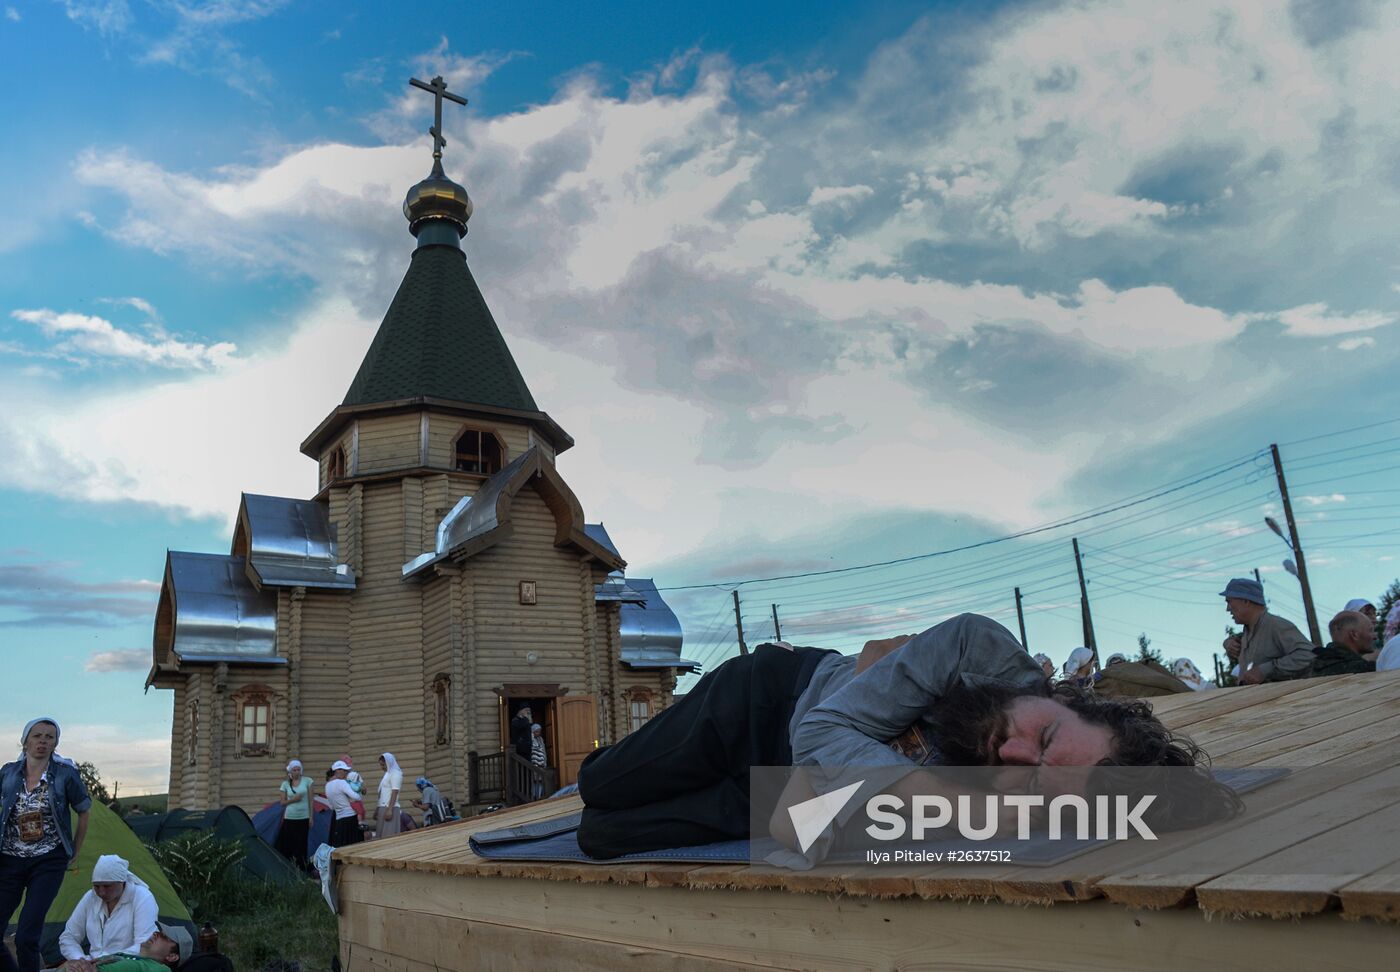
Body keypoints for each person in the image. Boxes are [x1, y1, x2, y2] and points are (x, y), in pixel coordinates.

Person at [577, 613, 1221, 859]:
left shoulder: (995, 813)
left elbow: (795, 827)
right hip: (764, 698)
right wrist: (920, 785)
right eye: (1047, 737)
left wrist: (869, 712)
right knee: (598, 782)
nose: (1015, 752)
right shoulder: (981, 649)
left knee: (601, 836)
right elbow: (825, 725)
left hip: (769, 794)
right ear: (1068, 699)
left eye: (1032, 777)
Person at [0, 717, 92, 972]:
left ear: (55, 743)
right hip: (10, 859)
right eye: (37, 735)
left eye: (49, 737)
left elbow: (84, 810)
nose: (42, 741)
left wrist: (75, 848)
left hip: (48, 860)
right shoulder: (8, 773)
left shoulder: (65, 774)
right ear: (25, 740)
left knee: (26, 936)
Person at [58, 855, 159, 963]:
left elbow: (145, 946)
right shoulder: (90, 897)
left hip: (125, 966)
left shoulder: (142, 897)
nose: (101, 892)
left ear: (122, 882)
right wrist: (81, 961)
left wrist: (106, 962)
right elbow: (68, 937)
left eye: (107, 886)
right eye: (96, 886)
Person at [1219, 577, 1314, 684]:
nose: (1228, 608)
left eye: (1229, 602)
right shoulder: (1249, 632)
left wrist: (1265, 670)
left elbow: (1308, 654)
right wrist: (1228, 643)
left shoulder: (1276, 626)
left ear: (1246, 601)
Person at [61, 923, 190, 972]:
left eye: (163, 936)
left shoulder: (159, 970)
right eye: (157, 931)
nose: (155, 934)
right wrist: (70, 965)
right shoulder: (130, 957)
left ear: (172, 956)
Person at [1313, 611, 1377, 677]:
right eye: (1370, 630)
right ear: (1354, 635)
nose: (1375, 637)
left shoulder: (1308, 670)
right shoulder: (1367, 670)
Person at [276, 760, 313, 869]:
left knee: (301, 845)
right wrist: (293, 800)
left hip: (304, 817)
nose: (297, 772)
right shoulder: (285, 784)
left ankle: (301, 868)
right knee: (289, 844)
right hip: (290, 818)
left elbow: (311, 800)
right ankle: (288, 866)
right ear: (290, 772)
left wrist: (311, 817)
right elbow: (282, 802)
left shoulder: (308, 781)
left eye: (298, 769)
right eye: (294, 770)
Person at [325, 761, 363, 848]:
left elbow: (331, 806)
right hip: (350, 818)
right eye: (345, 770)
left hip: (338, 819)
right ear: (338, 770)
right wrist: (359, 790)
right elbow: (357, 797)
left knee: (342, 846)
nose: (346, 773)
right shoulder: (341, 783)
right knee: (352, 846)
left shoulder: (327, 785)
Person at [375, 753, 403, 839]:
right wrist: (377, 809)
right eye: (381, 765)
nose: (382, 767)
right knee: (380, 836)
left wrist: (390, 810)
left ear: (388, 762)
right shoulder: (387, 774)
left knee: (388, 836)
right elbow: (382, 792)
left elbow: (395, 791)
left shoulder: (396, 773)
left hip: (390, 807)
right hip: (383, 807)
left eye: (383, 764)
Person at [530, 724, 549, 801]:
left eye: (539, 731)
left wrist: (544, 761)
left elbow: (543, 750)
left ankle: (539, 796)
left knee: (540, 780)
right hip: (534, 763)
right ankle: (534, 795)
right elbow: (533, 750)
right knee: (534, 780)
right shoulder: (530, 739)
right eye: (536, 731)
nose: (538, 733)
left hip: (541, 762)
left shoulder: (540, 739)